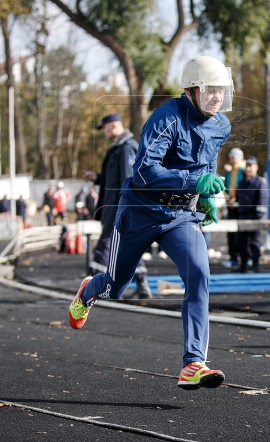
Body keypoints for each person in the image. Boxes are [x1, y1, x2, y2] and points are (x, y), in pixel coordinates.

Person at [68, 55, 233, 390]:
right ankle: (89, 290)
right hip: (140, 213)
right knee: (116, 287)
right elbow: (143, 172)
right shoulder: (165, 119)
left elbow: (208, 163)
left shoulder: (221, 124)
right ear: (191, 90)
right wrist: (192, 183)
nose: (218, 96)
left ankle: (193, 363)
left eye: (222, 90)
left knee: (199, 275)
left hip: (181, 217)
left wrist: (205, 198)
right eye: (211, 89)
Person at [83, 113, 150, 299]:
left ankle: (91, 286)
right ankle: (142, 283)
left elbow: (129, 181)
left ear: (113, 126)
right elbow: (114, 179)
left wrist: (126, 211)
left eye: (104, 128)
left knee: (105, 245)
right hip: (116, 208)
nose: (103, 132)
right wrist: (97, 178)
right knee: (127, 247)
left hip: (119, 209)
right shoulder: (119, 148)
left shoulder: (126, 148)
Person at [235, 156, 269, 273]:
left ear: (256, 167)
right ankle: (243, 264)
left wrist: (258, 218)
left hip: (255, 217)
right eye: (247, 166)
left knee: (254, 242)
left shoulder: (259, 183)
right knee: (241, 242)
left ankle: (255, 264)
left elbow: (262, 201)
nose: (248, 168)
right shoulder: (242, 183)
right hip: (243, 217)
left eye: (251, 166)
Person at [222, 147, 245, 268]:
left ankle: (244, 258)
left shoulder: (244, 171)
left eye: (233, 157)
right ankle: (233, 258)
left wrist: (238, 198)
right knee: (230, 234)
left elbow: (246, 188)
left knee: (242, 235)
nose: (231, 159)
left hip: (241, 207)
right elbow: (227, 187)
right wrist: (227, 195)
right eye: (230, 157)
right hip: (231, 206)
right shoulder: (230, 172)